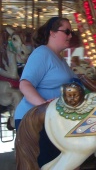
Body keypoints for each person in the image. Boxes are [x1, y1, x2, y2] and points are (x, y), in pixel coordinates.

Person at [14, 17, 78, 168]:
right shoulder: (42, 53)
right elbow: (25, 84)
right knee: (44, 164)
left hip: (52, 120)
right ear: (53, 33)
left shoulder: (61, 60)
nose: (70, 36)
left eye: (71, 32)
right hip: (33, 120)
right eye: (67, 31)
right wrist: (43, 105)